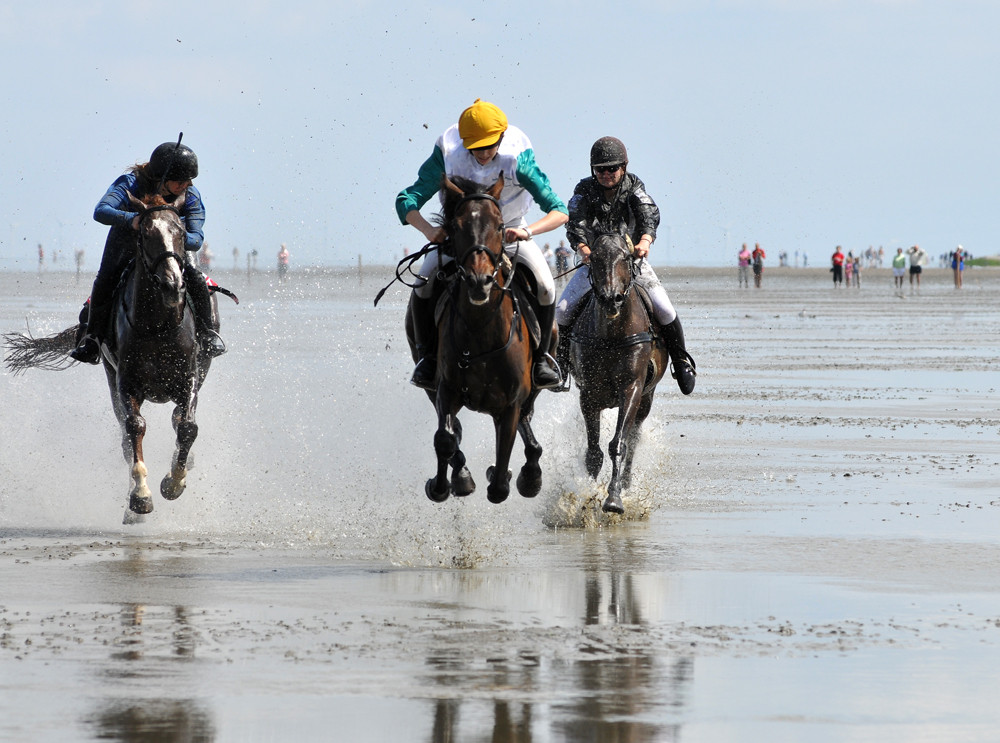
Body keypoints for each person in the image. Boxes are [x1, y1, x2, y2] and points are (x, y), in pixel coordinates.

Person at [396, 99, 568, 390]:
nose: (484, 154)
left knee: (546, 286)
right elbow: (406, 201)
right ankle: (427, 358)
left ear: (501, 137)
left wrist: (529, 232)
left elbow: (559, 210)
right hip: (460, 237)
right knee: (424, 283)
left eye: (490, 146)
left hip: (511, 230)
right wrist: (429, 231)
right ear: (464, 142)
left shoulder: (518, 159)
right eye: (476, 147)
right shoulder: (448, 152)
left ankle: (541, 360)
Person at [554, 136, 696, 395]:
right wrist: (584, 250)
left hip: (631, 264)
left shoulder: (634, 186)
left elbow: (648, 214)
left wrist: (645, 240)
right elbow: (575, 222)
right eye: (600, 169)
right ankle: (561, 365)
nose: (606, 174)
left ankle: (681, 361)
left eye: (612, 168)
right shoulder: (584, 190)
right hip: (594, 265)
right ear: (592, 170)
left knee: (664, 308)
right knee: (562, 311)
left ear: (624, 167)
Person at [70, 140, 225, 363]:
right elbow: (101, 211)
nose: (188, 184)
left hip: (171, 245)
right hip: (128, 239)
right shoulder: (131, 183)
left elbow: (196, 239)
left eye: (190, 180)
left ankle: (207, 335)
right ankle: (93, 340)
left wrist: (175, 233)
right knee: (106, 279)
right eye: (181, 180)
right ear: (162, 178)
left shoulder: (190, 194)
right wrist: (132, 220)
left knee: (196, 277)